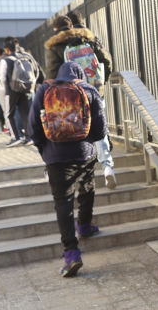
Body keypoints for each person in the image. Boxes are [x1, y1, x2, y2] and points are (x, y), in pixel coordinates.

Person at [28, 62, 106, 277]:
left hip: (55, 157)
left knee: (63, 203)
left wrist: (45, 150)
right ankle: (84, 225)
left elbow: (33, 126)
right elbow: (100, 130)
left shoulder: (44, 89)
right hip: (84, 154)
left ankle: (71, 254)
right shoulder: (89, 90)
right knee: (87, 188)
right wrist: (86, 142)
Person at [45, 14, 117, 187]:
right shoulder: (88, 39)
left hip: (71, 98)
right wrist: (99, 83)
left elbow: (52, 75)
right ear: (72, 26)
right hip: (94, 91)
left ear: (55, 29)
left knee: (73, 132)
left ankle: (79, 173)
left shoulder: (56, 46)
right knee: (100, 129)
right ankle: (107, 168)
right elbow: (106, 61)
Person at [0, 36, 39, 146]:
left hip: (11, 91)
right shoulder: (23, 58)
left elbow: (2, 78)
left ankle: (15, 137)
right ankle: (29, 137)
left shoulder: (5, 60)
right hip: (23, 89)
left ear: (7, 49)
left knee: (9, 114)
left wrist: (5, 90)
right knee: (25, 113)